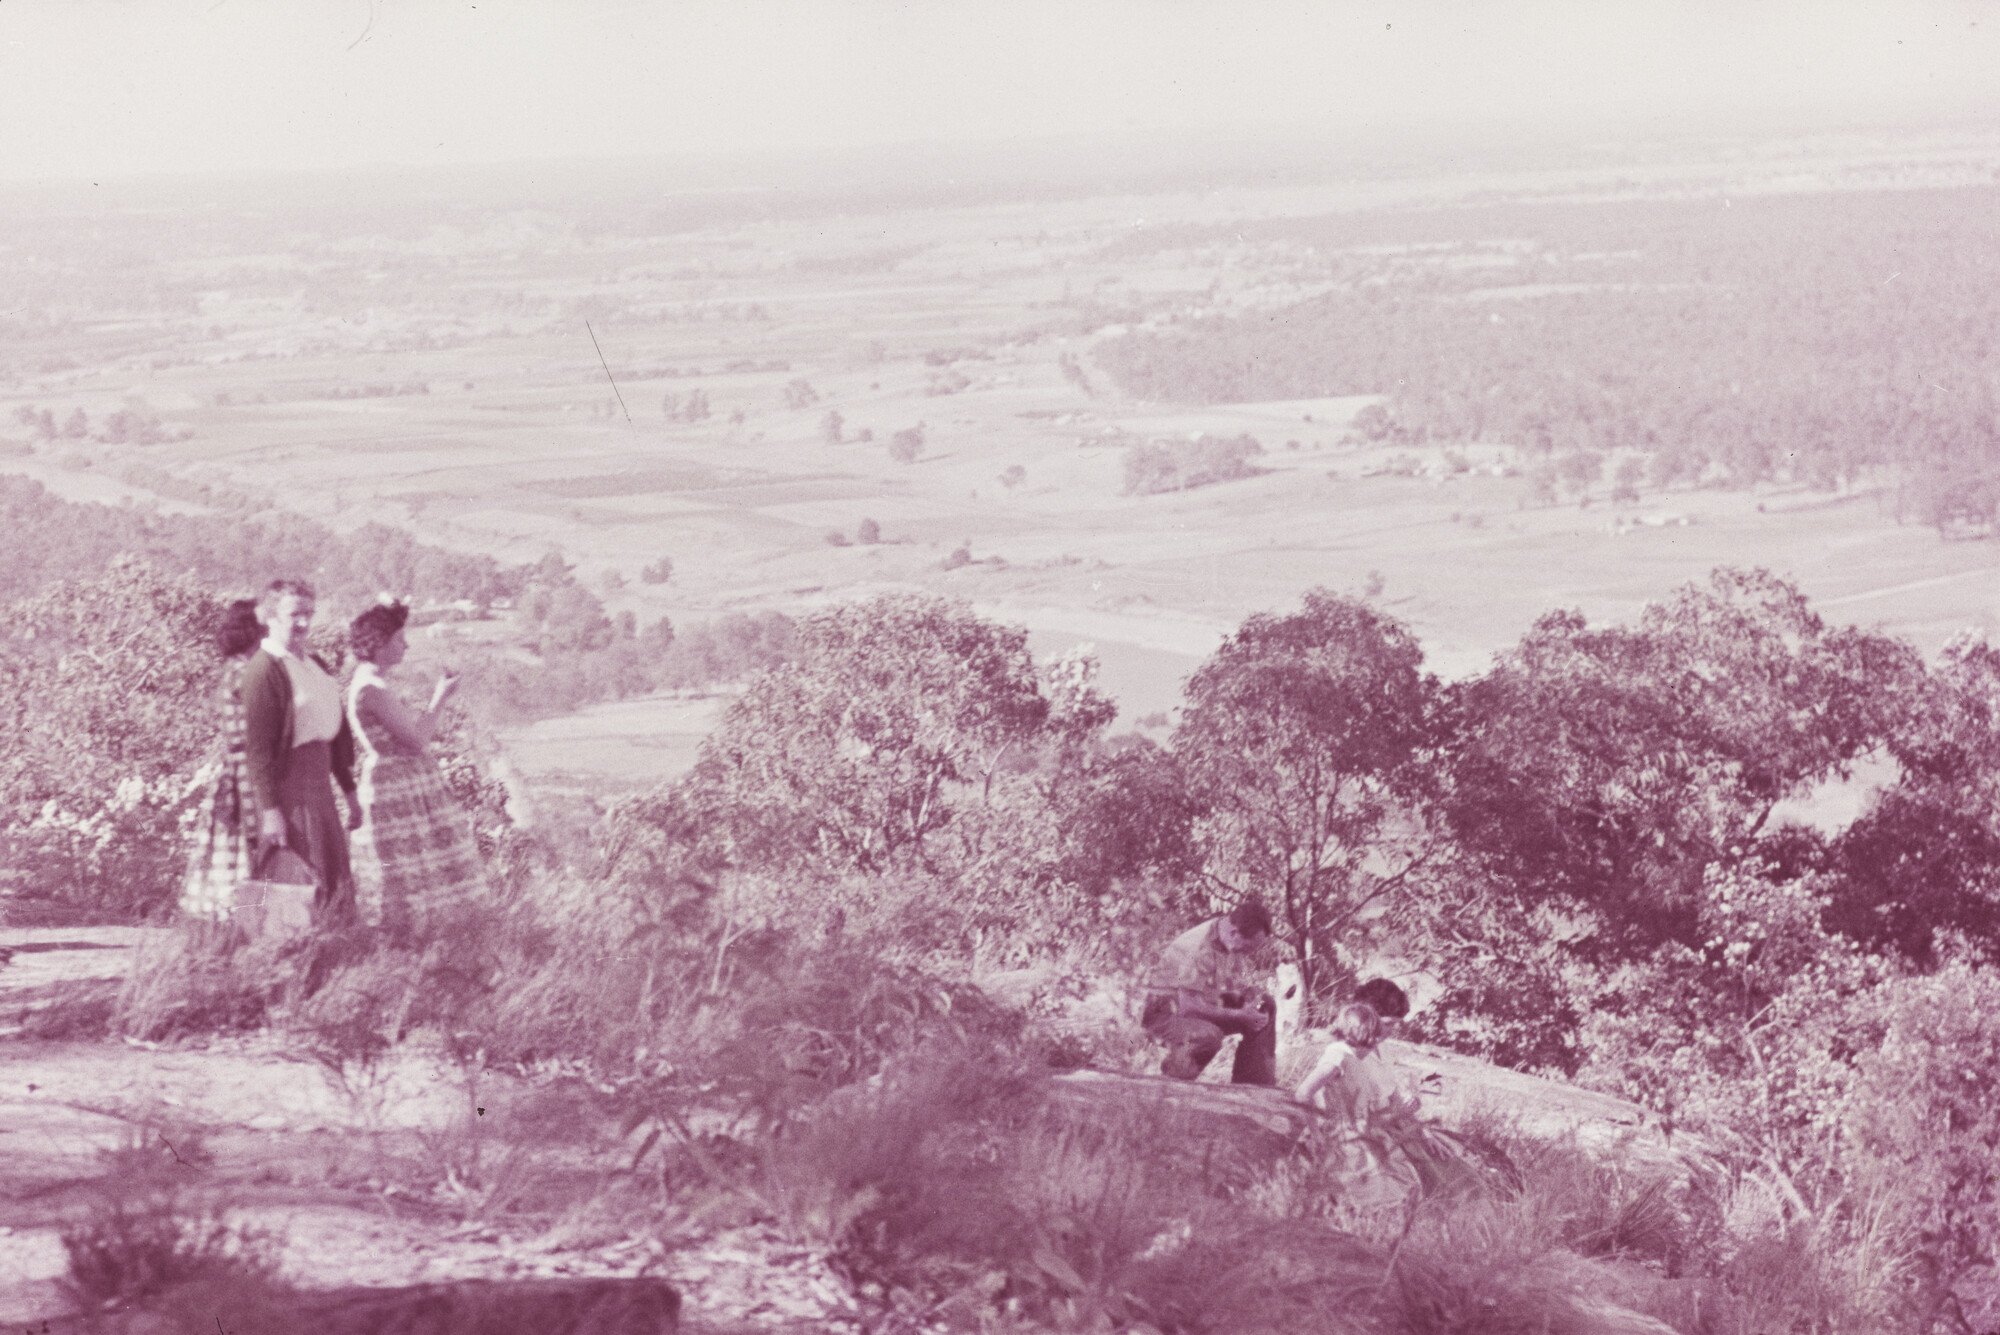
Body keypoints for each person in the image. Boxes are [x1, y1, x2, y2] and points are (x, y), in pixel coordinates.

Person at [345, 600, 488, 938]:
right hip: (396, 786)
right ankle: (414, 940)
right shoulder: (371, 690)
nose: (406, 646)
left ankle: (425, 939)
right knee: (408, 868)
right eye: (398, 640)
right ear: (378, 644)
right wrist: (440, 698)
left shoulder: (369, 682)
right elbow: (417, 739)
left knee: (416, 866)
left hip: (403, 783)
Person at [241, 579, 361, 922]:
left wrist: (349, 792)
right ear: (270, 616)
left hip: (320, 789)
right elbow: (259, 751)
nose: (304, 623)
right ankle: (285, 960)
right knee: (297, 882)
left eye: (309, 613)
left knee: (330, 880)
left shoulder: (314, 665)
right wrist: (271, 811)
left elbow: (335, 736)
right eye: (295, 614)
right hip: (289, 794)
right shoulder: (263, 671)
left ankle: (334, 959)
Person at [178, 598, 265, 922]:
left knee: (239, 848)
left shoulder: (236, 668)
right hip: (248, 770)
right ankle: (241, 922)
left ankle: (236, 923)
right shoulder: (245, 670)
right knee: (248, 847)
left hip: (238, 768)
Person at [1141, 902, 1277, 1085]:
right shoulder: (1198, 948)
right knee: (1208, 1037)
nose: (1247, 953)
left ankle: (1253, 1088)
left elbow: (1229, 982)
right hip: (1164, 1014)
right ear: (1234, 932)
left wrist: (1248, 995)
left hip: (1200, 1002)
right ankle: (1171, 1086)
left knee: (1264, 1005)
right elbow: (1188, 1007)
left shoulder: (1227, 936)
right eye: (1247, 948)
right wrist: (1239, 1015)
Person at [1293, 1002, 1406, 1120]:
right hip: (1329, 1130)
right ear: (1368, 1036)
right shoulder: (1339, 1055)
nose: (1375, 1044)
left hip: (1351, 1130)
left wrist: (1398, 1112)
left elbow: (1364, 1113)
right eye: (1374, 1037)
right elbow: (1303, 1093)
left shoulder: (1358, 1060)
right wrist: (1314, 1130)